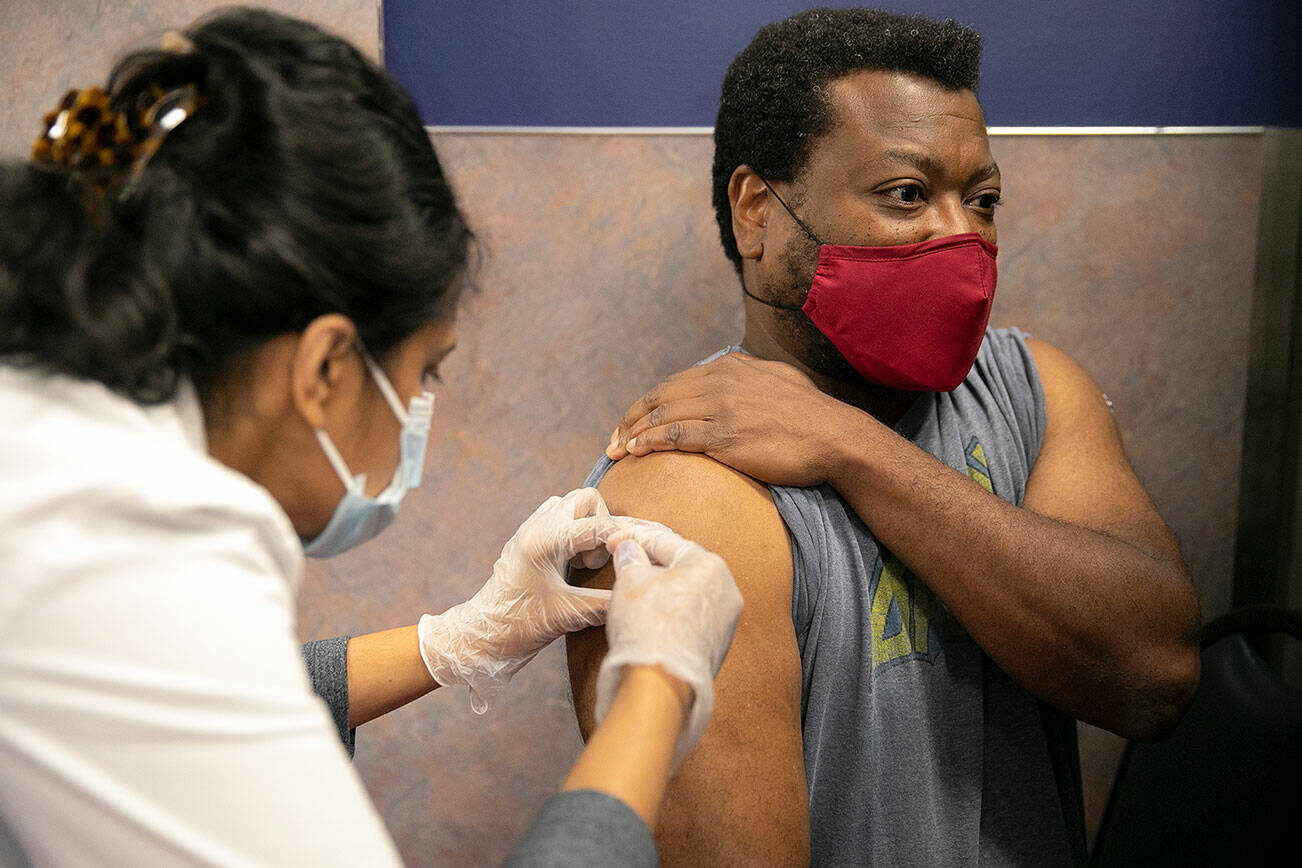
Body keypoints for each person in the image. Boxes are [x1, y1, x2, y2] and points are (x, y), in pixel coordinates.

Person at [0, 9, 743, 866]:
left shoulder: (53, 443)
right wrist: (657, 686)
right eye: (423, 374)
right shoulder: (124, 539)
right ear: (324, 368)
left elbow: (179, 707)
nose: (418, 411)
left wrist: (465, 636)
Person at [567, 7, 1202, 866]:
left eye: (982, 200)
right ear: (757, 212)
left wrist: (851, 446)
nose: (961, 237)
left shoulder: (1031, 387)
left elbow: (1155, 676)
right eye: (907, 195)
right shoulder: (683, 491)